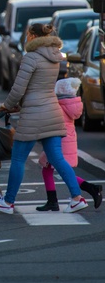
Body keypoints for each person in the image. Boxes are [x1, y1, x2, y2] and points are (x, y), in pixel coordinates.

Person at [0, 23, 88, 214]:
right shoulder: (55, 56)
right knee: (57, 159)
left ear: (32, 35)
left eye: (27, 34)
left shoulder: (31, 57)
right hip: (52, 110)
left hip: (33, 114)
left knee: (18, 158)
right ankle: (77, 198)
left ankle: (8, 202)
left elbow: (19, 88)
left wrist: (7, 106)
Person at [36, 77, 102, 211]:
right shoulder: (72, 105)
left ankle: (88, 189)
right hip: (67, 141)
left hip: (59, 141)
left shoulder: (58, 106)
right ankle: (52, 200)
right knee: (48, 169)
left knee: (59, 170)